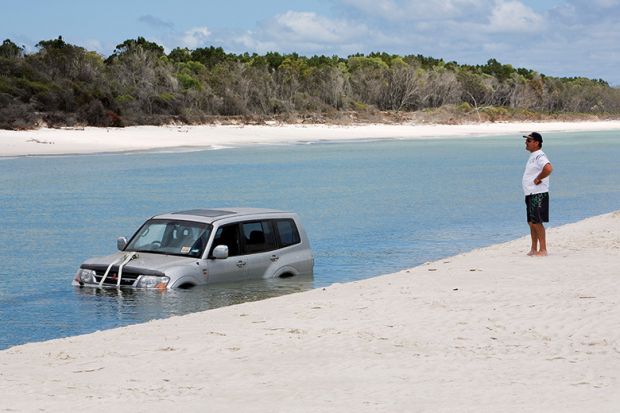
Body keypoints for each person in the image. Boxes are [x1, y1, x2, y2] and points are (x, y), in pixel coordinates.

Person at [522, 132, 553, 256]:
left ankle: (543, 249)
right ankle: (534, 248)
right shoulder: (533, 156)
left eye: (529, 141)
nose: (526, 143)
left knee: (537, 222)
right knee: (531, 222)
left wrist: (538, 178)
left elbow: (548, 168)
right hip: (530, 193)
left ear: (536, 143)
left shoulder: (540, 156)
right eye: (526, 140)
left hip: (538, 194)